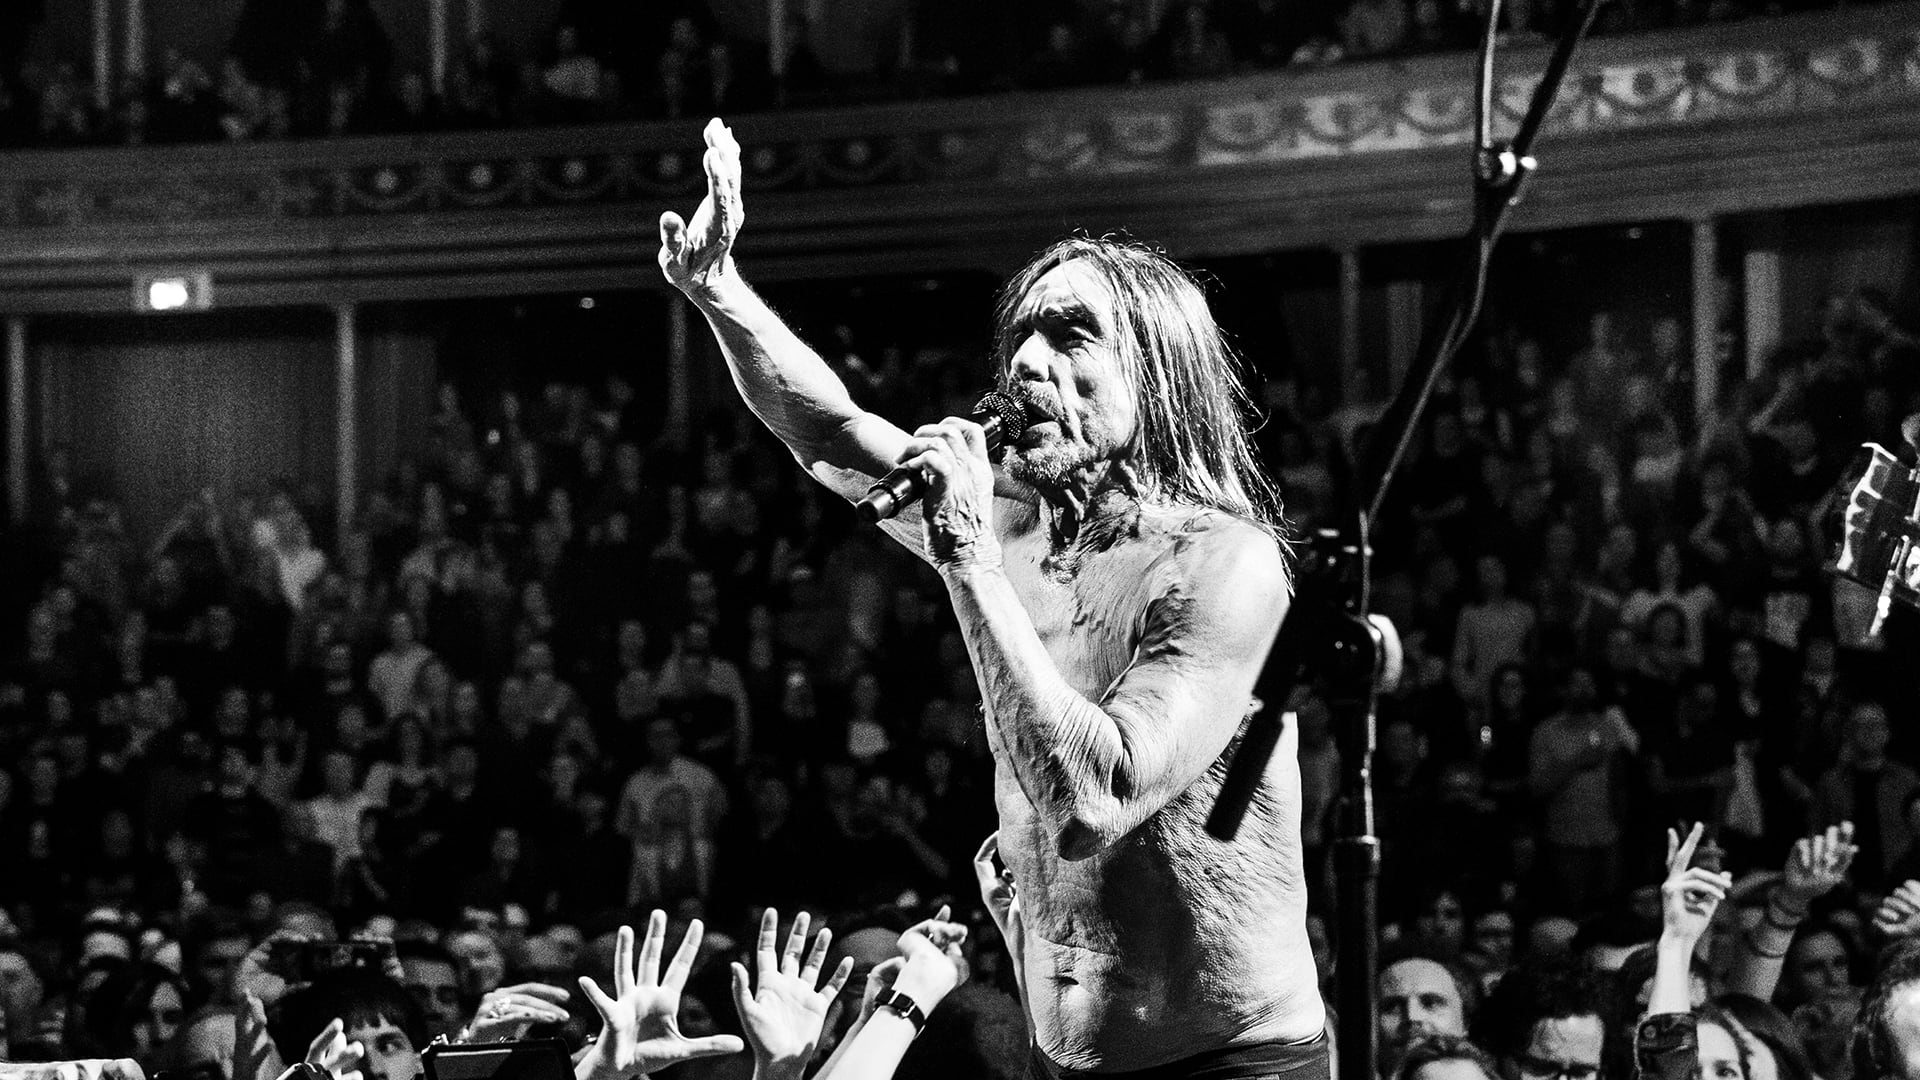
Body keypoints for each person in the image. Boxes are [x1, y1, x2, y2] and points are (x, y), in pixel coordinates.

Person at [660, 118, 1324, 1079]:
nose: (1025, 363)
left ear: (1159, 370)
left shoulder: (1224, 563)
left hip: (1228, 1061)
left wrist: (966, 554)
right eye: (1021, 337)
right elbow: (830, 432)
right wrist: (720, 291)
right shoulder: (1015, 526)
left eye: (1070, 334)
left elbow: (1095, 799)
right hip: (1065, 1056)